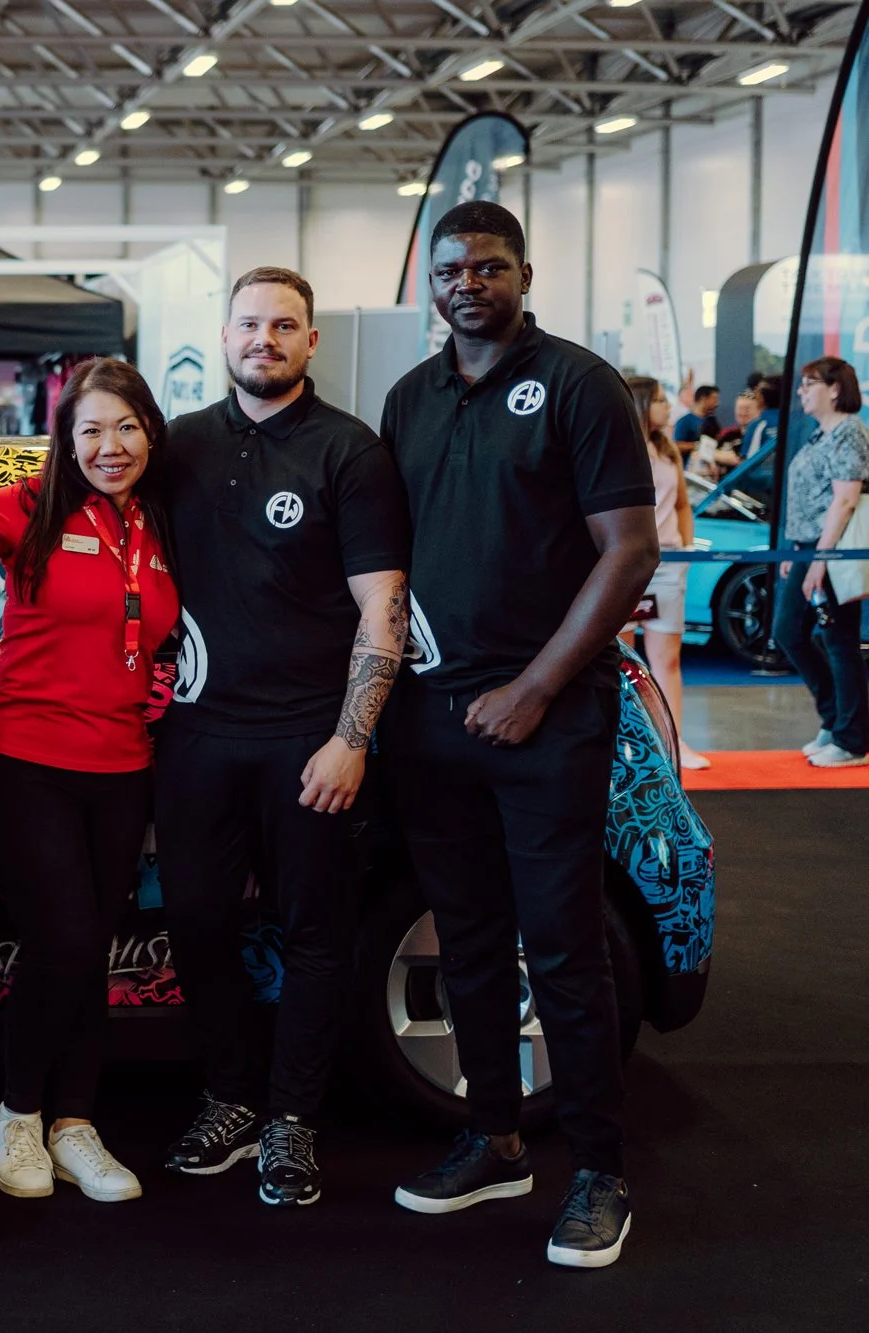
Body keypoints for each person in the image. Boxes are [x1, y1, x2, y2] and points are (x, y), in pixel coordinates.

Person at [377, 200, 659, 1269]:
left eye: (487, 266)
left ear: (522, 274)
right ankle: (491, 1136)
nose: (465, 282)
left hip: (543, 719)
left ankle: (596, 1170)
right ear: (431, 282)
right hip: (429, 718)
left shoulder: (578, 385)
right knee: (467, 941)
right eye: (448, 267)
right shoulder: (408, 399)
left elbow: (626, 552)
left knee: (564, 948)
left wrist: (535, 689)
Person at [154, 267, 411, 1208]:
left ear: (311, 343)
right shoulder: (174, 448)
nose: (264, 338)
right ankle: (230, 1098)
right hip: (196, 740)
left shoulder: (350, 452)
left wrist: (353, 739)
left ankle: (294, 1119)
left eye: (284, 325)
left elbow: (383, 606)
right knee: (200, 926)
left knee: (315, 934)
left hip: (312, 741)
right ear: (223, 338)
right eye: (248, 323)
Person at [0, 358, 179, 1206]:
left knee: (94, 944)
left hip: (122, 763)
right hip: (22, 755)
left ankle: (75, 1124)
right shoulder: (32, 503)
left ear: (150, 431)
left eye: (125, 427)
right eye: (90, 429)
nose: (109, 446)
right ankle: (18, 1112)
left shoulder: (163, 520)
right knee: (68, 939)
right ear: (66, 438)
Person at [773, 357, 869, 768]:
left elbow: (845, 500)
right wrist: (798, 552)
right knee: (790, 632)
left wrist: (820, 559)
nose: (801, 392)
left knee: (838, 641)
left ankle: (851, 739)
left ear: (834, 388)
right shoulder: (821, 434)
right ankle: (836, 720)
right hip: (809, 548)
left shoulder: (849, 433)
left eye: (809, 384)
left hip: (831, 548)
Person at [628, 376, 711, 771]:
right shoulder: (616, 449)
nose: (667, 407)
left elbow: (681, 505)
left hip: (668, 566)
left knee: (668, 659)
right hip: (625, 567)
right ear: (642, 404)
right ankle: (626, 747)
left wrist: (686, 551)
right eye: (660, 400)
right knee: (620, 662)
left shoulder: (668, 451)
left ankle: (675, 742)